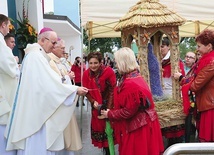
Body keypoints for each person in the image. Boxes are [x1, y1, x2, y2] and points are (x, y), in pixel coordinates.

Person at [5, 27, 88, 155]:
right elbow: (49, 84)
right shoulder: (35, 57)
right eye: (53, 42)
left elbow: (49, 81)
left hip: (36, 108)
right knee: (37, 146)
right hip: (36, 113)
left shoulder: (37, 55)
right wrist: (74, 89)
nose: (54, 46)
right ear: (43, 40)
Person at [100, 47, 164, 155]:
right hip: (142, 125)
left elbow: (128, 111)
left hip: (139, 129)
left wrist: (110, 114)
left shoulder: (130, 82)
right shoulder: (134, 77)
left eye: (116, 62)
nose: (115, 64)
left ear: (122, 62)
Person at [48, 39, 82, 155]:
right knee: (60, 137)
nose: (64, 51)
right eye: (62, 48)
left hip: (65, 103)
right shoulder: (50, 62)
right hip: (58, 106)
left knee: (66, 136)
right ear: (54, 48)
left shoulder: (59, 61)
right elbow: (54, 84)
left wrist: (69, 77)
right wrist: (68, 78)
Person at [82, 52, 116, 155]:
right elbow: (86, 91)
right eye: (91, 63)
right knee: (102, 135)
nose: (93, 65)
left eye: (95, 63)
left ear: (101, 62)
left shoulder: (108, 71)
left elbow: (112, 90)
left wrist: (108, 110)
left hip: (109, 107)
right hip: (96, 109)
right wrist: (93, 102)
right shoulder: (86, 74)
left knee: (110, 134)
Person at [160, 37, 186, 147]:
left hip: (173, 97)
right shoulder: (159, 60)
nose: (161, 49)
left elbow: (182, 79)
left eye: (162, 46)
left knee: (174, 132)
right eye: (159, 46)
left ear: (169, 46)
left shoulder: (175, 61)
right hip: (162, 97)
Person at [189, 29, 214, 142]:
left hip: (210, 107)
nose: (197, 49)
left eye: (199, 46)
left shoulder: (210, 62)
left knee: (207, 143)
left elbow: (195, 85)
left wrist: (184, 81)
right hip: (208, 104)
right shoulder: (207, 61)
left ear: (209, 46)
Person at [0, 14, 19, 155]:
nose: (8, 29)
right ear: (3, 25)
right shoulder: (0, 41)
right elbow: (8, 65)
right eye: (8, 25)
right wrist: (16, 64)